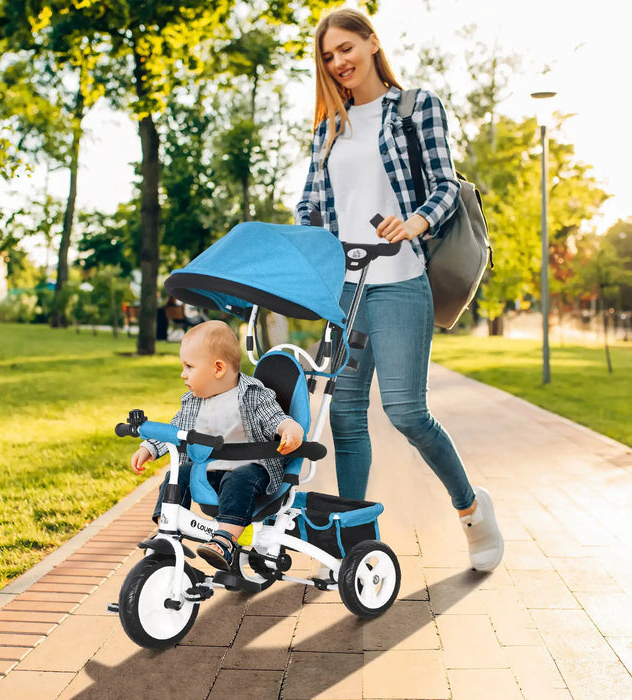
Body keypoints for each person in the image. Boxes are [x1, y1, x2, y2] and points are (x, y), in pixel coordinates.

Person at [294, 8, 503, 572]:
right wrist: (303, 247)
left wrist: (414, 222)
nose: (338, 63)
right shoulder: (327, 128)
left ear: (371, 42)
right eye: (328, 56)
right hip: (346, 291)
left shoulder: (416, 108)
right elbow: (310, 205)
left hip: (402, 280)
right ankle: (358, 542)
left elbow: (443, 185)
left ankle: (471, 509)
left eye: (345, 48)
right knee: (345, 417)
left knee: (408, 412)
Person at [130, 320, 304, 571]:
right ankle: (166, 530)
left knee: (240, 478)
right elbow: (175, 429)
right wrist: (149, 448)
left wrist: (290, 429)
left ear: (218, 369)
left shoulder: (253, 395)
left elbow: (276, 419)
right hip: (208, 471)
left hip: (251, 472)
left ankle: (225, 539)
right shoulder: (193, 401)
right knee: (178, 475)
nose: (183, 374)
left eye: (189, 367)